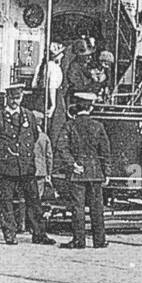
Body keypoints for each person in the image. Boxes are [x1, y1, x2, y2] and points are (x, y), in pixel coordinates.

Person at [0, 83, 54, 245]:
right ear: (7, 98)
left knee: (34, 201)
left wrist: (23, 153)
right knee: (6, 202)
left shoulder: (29, 116)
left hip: (27, 167)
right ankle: (10, 234)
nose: (15, 101)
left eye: (18, 98)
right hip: (7, 168)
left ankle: (39, 234)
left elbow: (34, 136)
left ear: (22, 98)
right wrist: (3, 152)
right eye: (12, 98)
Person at [55, 92, 111, 249]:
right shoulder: (98, 126)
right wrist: (106, 172)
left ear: (76, 107)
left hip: (77, 173)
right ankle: (99, 241)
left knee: (77, 208)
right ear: (91, 107)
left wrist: (72, 164)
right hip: (95, 173)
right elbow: (105, 151)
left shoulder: (69, 125)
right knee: (97, 208)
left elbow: (61, 147)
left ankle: (79, 240)